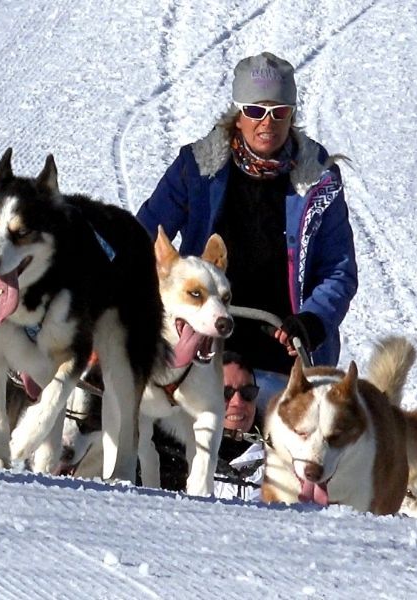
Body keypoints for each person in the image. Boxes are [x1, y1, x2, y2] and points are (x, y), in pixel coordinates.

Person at [136, 52, 358, 400]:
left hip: (282, 345)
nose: (266, 123)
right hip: (205, 336)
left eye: (278, 112)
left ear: (291, 115)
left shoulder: (318, 182)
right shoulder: (196, 170)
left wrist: (314, 319)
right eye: (255, 111)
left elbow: (338, 269)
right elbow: (143, 234)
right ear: (239, 116)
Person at [213, 351, 265, 501]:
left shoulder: (281, 462)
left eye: (248, 393)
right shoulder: (180, 457)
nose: (238, 402)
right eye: (225, 393)